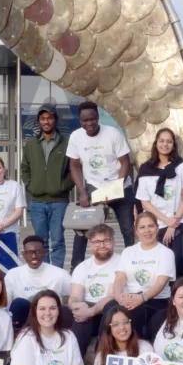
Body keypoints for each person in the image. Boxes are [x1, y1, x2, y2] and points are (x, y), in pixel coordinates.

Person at [66, 101, 135, 269]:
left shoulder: (113, 134)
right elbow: (74, 165)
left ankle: (131, 265)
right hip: (94, 187)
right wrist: (82, 192)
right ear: (80, 120)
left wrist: (117, 186)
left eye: (92, 119)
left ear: (98, 117)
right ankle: (76, 268)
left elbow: (125, 162)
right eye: (85, 120)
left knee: (128, 230)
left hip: (119, 185)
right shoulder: (76, 137)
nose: (89, 123)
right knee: (82, 230)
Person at [135, 127, 183, 276]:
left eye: (169, 141)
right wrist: (166, 221)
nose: (165, 144)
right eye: (161, 141)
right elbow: (145, 203)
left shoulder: (181, 167)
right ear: (156, 143)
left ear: (173, 145)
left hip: (180, 220)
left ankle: (176, 293)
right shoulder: (145, 169)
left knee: (177, 259)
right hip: (156, 222)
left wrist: (173, 223)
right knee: (156, 261)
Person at [21, 102, 74, 268]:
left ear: (55, 120)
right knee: (40, 241)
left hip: (59, 201)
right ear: (39, 121)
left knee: (58, 240)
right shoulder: (31, 144)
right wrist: (31, 186)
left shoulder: (67, 143)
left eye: (49, 118)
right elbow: (25, 168)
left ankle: (57, 273)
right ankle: (44, 274)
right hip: (37, 202)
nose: (46, 121)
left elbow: (75, 169)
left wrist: (63, 186)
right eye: (43, 118)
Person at [108, 211, 176, 338]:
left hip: (155, 300)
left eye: (151, 226)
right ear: (136, 231)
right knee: (109, 309)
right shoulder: (128, 251)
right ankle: (104, 352)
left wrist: (142, 298)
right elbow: (120, 279)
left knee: (135, 313)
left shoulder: (166, 253)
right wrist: (119, 297)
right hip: (129, 298)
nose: (147, 231)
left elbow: (160, 283)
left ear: (157, 228)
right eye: (142, 227)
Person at [68, 223, 121, 358]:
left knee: (111, 306)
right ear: (90, 244)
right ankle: (75, 363)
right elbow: (74, 296)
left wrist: (90, 311)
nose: (102, 245)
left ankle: (101, 359)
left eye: (106, 241)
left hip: (110, 311)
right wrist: (78, 306)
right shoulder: (83, 267)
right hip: (89, 310)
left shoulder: (121, 262)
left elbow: (112, 295)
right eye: (97, 242)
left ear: (113, 242)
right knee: (79, 315)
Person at [4, 235, 72, 330]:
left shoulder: (59, 274)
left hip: (49, 320)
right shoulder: (13, 274)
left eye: (38, 252)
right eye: (29, 252)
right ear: (23, 254)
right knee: (19, 304)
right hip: (24, 321)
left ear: (44, 253)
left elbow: (75, 294)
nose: (34, 256)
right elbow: (5, 305)